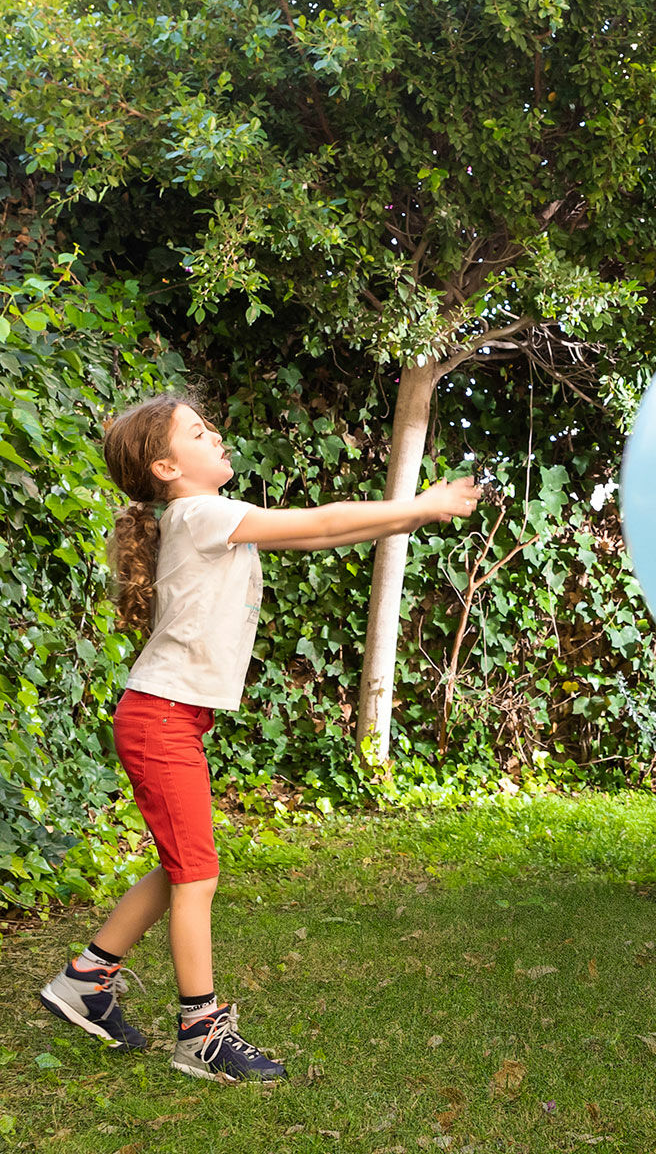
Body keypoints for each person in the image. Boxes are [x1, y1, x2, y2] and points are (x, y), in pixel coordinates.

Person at [39, 393, 480, 1082]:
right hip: (160, 718)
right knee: (197, 876)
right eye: (196, 430)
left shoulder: (204, 518)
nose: (215, 433)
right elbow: (321, 518)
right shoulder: (201, 513)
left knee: (183, 864)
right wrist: (420, 506)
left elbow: (322, 534)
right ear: (165, 466)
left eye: (210, 423)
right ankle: (201, 1034)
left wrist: (407, 516)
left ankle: (85, 981)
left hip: (167, 717)